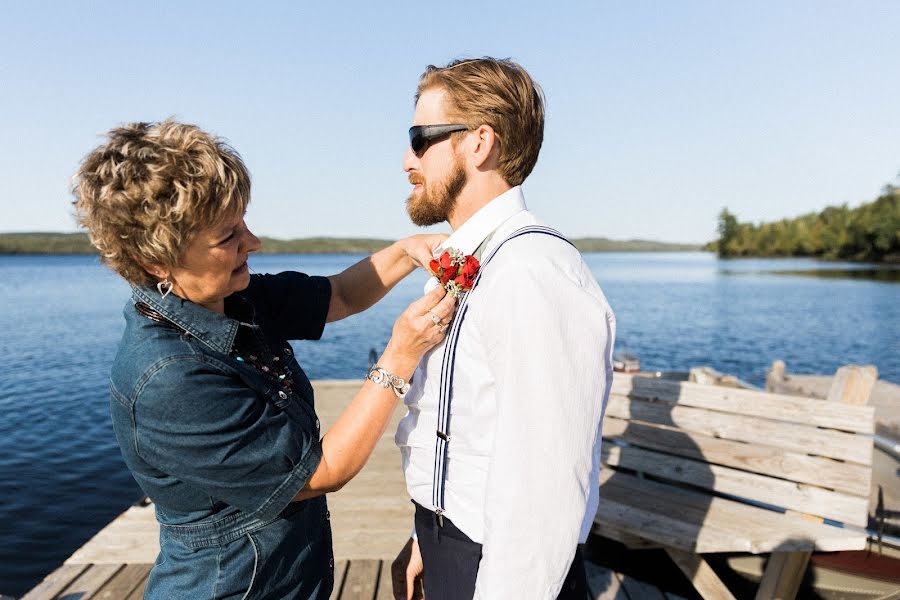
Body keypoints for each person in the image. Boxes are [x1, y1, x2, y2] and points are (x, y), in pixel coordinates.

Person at [72, 119, 457, 599]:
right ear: (156, 261)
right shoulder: (169, 378)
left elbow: (338, 295)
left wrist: (407, 252)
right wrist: (400, 356)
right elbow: (320, 473)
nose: (252, 242)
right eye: (228, 236)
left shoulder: (230, 296)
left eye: (243, 223)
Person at [391, 58, 616, 600]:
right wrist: (430, 530)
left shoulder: (531, 271)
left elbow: (545, 486)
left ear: (479, 143)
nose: (406, 160)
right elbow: (468, 424)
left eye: (421, 138)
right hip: (452, 542)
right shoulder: (480, 259)